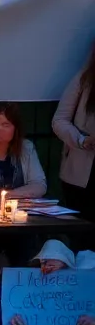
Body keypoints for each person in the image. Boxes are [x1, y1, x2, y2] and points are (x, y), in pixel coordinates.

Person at [52, 40, 95, 238]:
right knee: (83, 240)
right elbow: (59, 120)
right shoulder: (84, 80)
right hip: (82, 176)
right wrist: (81, 140)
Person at [8, 239, 95, 325]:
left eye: (51, 265)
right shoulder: (34, 289)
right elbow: (24, 311)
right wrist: (18, 321)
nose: (44, 269)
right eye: (42, 264)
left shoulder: (88, 287)